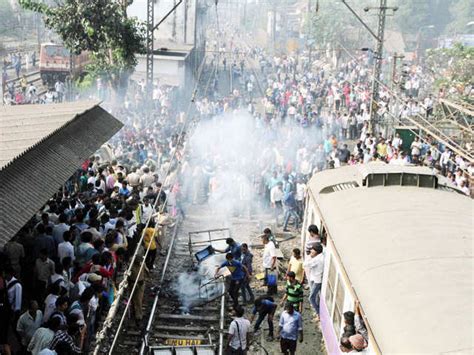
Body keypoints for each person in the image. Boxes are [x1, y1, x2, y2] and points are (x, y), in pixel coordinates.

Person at [304, 244, 324, 320]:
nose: (311, 251)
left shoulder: (317, 259)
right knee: (315, 297)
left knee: (311, 298)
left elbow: (305, 264)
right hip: (314, 278)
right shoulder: (319, 257)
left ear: (317, 251)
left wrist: (309, 256)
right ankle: (317, 311)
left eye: (313, 250)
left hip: (317, 280)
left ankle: (318, 313)